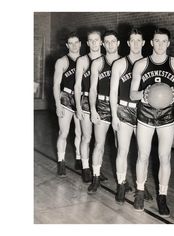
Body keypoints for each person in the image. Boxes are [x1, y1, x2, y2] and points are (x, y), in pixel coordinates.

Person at [130, 27, 174, 216]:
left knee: (165, 157)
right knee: (143, 155)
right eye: (157, 41)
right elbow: (132, 93)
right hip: (145, 113)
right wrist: (144, 96)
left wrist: (173, 95)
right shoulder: (140, 64)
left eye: (164, 41)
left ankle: (162, 196)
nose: (160, 45)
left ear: (168, 43)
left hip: (166, 115)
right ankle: (139, 191)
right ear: (152, 43)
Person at [110, 28, 153, 204]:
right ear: (128, 43)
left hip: (143, 111)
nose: (135, 44)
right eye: (132, 40)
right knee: (123, 150)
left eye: (138, 41)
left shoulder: (148, 64)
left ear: (143, 43)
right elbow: (113, 92)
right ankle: (121, 184)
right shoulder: (120, 64)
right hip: (124, 110)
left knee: (144, 153)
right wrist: (114, 116)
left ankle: (141, 186)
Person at [87, 30, 120, 194]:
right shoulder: (98, 63)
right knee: (99, 144)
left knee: (121, 146)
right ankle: (95, 177)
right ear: (102, 44)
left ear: (118, 43)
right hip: (102, 105)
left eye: (113, 41)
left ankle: (123, 181)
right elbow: (92, 89)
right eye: (106, 42)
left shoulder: (125, 62)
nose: (109, 45)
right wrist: (93, 109)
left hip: (120, 107)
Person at [74, 30, 103, 183]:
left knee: (100, 140)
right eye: (90, 40)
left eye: (96, 40)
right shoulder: (82, 60)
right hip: (85, 100)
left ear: (101, 42)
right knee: (87, 136)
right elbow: (77, 85)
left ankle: (97, 168)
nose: (93, 43)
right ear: (87, 43)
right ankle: (85, 168)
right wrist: (78, 106)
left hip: (102, 102)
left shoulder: (107, 60)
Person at [53, 32, 82, 176]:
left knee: (80, 132)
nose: (74, 45)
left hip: (81, 98)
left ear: (80, 44)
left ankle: (78, 158)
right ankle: (61, 161)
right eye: (71, 43)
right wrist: (58, 105)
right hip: (66, 97)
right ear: (67, 45)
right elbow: (55, 85)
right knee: (64, 132)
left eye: (76, 42)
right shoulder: (62, 61)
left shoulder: (86, 60)